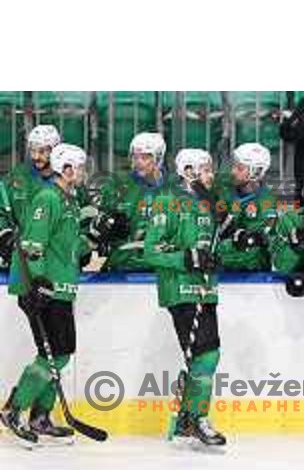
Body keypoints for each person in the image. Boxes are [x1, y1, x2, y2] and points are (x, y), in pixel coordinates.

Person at [1, 144, 92, 445]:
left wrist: (87, 246)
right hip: (42, 289)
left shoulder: (70, 200)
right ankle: (14, 409)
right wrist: (36, 283)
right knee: (50, 354)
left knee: (61, 354)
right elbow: (31, 244)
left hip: (62, 288)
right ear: (66, 169)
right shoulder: (48, 197)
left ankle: (40, 416)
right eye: (78, 167)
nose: (82, 172)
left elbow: (66, 243)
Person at [144, 148, 226, 446]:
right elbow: (151, 249)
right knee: (207, 354)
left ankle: (186, 420)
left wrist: (219, 255)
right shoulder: (167, 200)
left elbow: (211, 247)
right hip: (180, 289)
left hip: (205, 289)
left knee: (204, 355)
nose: (211, 174)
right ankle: (196, 419)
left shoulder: (208, 202)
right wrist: (188, 258)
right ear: (188, 171)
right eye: (205, 169)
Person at [92, 132, 168, 271]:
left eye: (145, 157)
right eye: (135, 156)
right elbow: (95, 229)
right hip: (122, 266)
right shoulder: (115, 186)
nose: (138, 162)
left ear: (159, 158)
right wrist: (106, 229)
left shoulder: (176, 190)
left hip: (163, 269)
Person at [0, 125, 62, 271]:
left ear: (55, 150)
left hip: (59, 264)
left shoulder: (67, 178)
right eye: (32, 150)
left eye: (42, 151)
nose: (35, 156)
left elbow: (83, 214)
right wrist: (4, 235)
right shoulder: (15, 178)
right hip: (22, 263)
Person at [217, 143, 277, 271]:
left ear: (255, 172)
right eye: (233, 166)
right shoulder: (225, 186)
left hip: (249, 272)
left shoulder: (266, 202)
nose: (233, 171)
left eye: (239, 168)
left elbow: (251, 249)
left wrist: (216, 252)